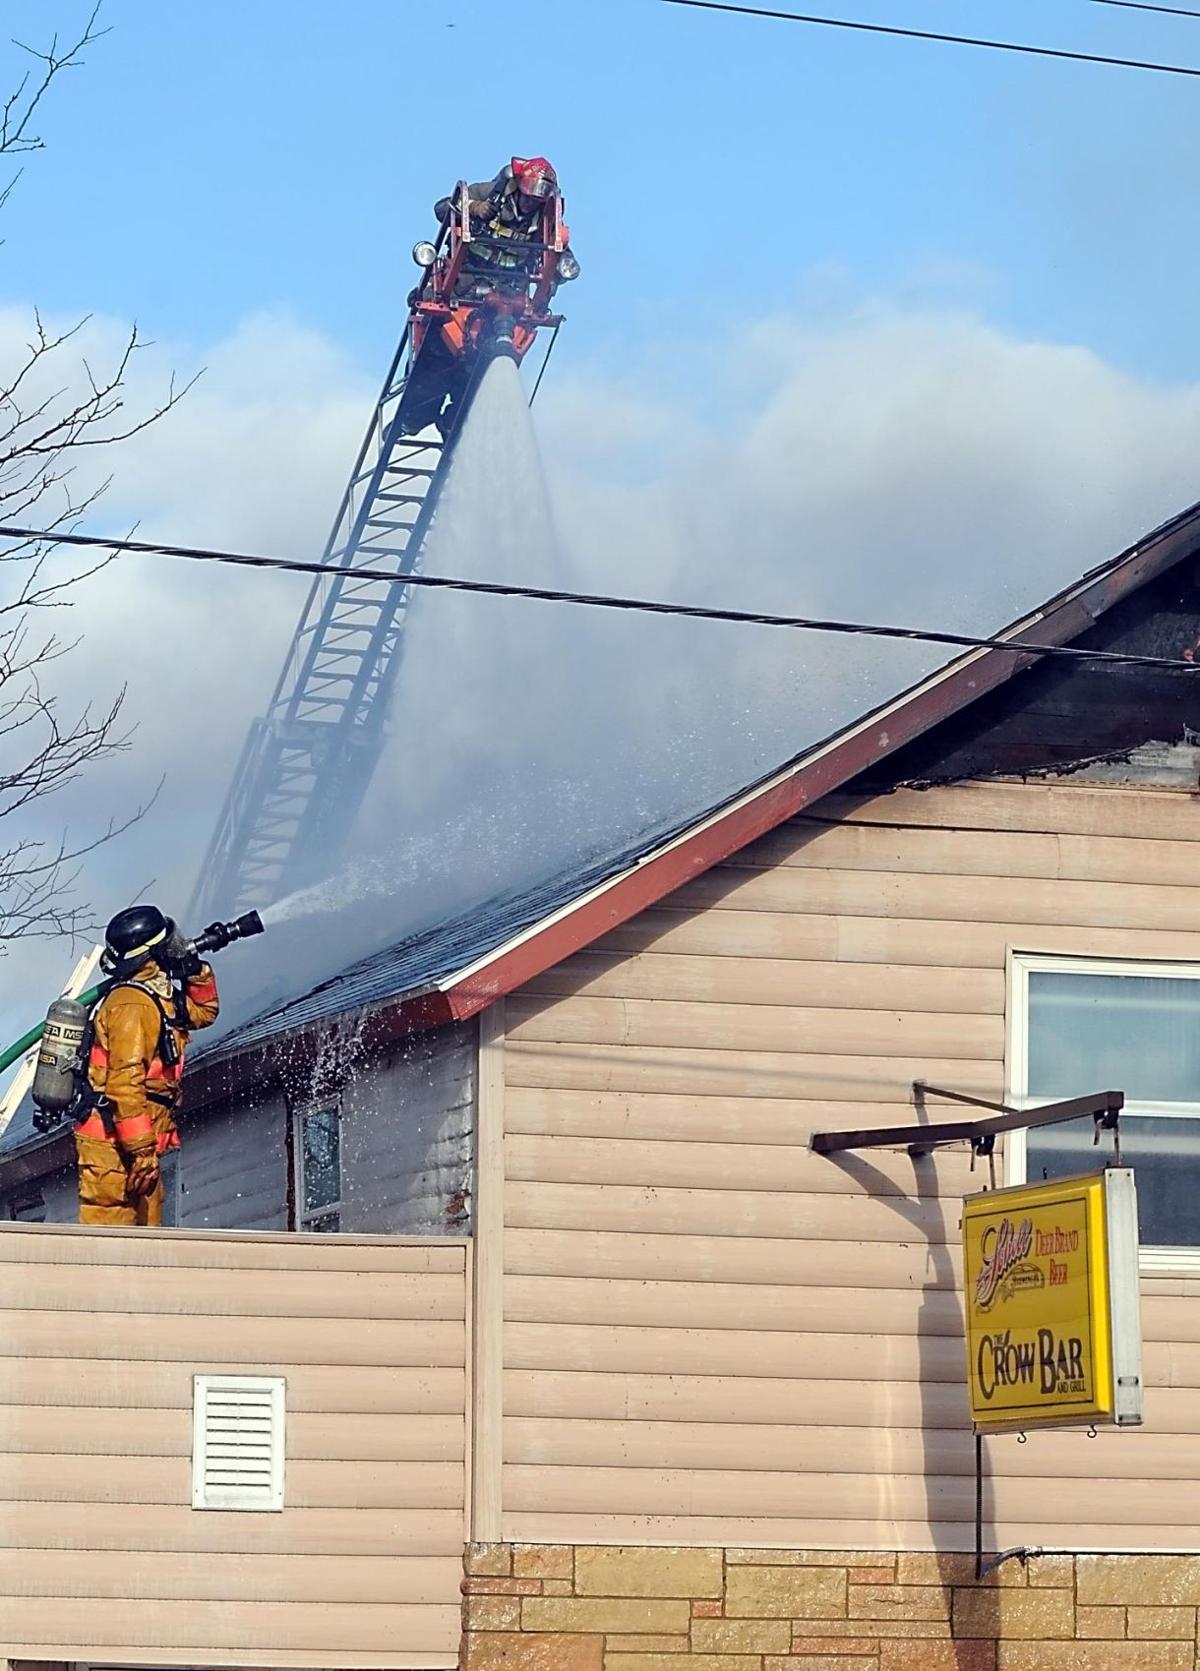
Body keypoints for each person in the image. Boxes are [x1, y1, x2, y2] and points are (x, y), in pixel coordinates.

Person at [75, 904, 220, 1227]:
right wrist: (141, 1151)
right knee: (109, 1243)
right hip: (113, 1146)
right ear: (152, 954)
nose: (177, 947)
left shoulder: (157, 997)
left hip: (139, 1140)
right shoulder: (131, 1004)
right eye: (171, 944)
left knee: (146, 1240)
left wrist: (196, 970)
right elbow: (124, 1085)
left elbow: (204, 1011)